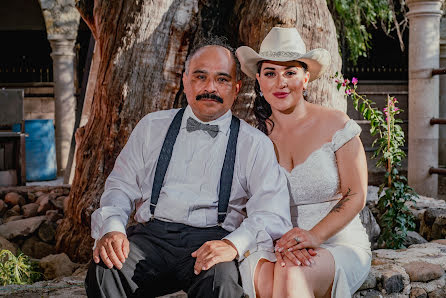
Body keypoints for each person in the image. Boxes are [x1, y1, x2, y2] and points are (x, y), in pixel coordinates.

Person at [85, 36, 293, 298]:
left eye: (222, 79)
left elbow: (272, 212)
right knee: (105, 270)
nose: (210, 88)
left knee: (222, 285)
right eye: (200, 77)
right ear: (185, 81)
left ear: (236, 87)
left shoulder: (255, 144)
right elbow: (120, 185)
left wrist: (232, 244)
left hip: (213, 241)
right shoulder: (151, 127)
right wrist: (113, 228)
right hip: (151, 239)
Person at [236, 27, 371, 298]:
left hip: (336, 241)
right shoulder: (251, 139)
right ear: (259, 82)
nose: (280, 82)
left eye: (290, 72)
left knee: (291, 271)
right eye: (270, 73)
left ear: (306, 78)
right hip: (271, 245)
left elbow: (356, 194)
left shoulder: (337, 124)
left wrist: (314, 236)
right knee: (281, 270)